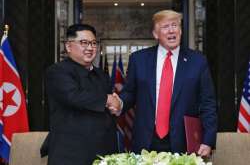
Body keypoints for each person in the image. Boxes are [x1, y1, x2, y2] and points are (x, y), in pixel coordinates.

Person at [107, 10, 217, 157]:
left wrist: (208, 140)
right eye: (165, 26)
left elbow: (207, 103)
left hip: (184, 142)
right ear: (155, 34)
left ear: (180, 30)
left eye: (175, 25)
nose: (171, 30)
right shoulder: (138, 60)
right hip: (146, 140)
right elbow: (130, 93)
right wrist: (120, 103)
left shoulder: (198, 61)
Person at [44, 24, 119, 165]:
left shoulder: (101, 75)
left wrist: (116, 105)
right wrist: (107, 100)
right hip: (70, 153)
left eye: (93, 43)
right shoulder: (58, 71)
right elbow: (73, 96)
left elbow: (109, 108)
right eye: (84, 43)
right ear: (68, 47)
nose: (90, 48)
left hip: (104, 152)